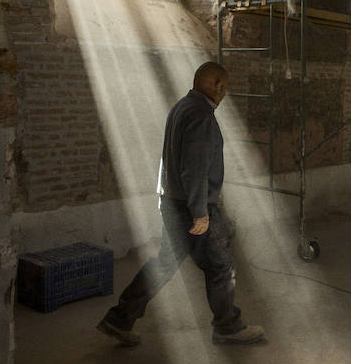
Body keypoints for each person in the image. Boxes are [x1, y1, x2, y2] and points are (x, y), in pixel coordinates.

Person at [98, 62, 264, 346]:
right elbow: (194, 168)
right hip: (191, 207)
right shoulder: (201, 116)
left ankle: (120, 317)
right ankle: (228, 326)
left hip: (172, 200)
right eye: (224, 87)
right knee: (221, 266)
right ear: (218, 85)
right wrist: (200, 211)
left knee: (165, 262)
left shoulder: (181, 107)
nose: (225, 94)